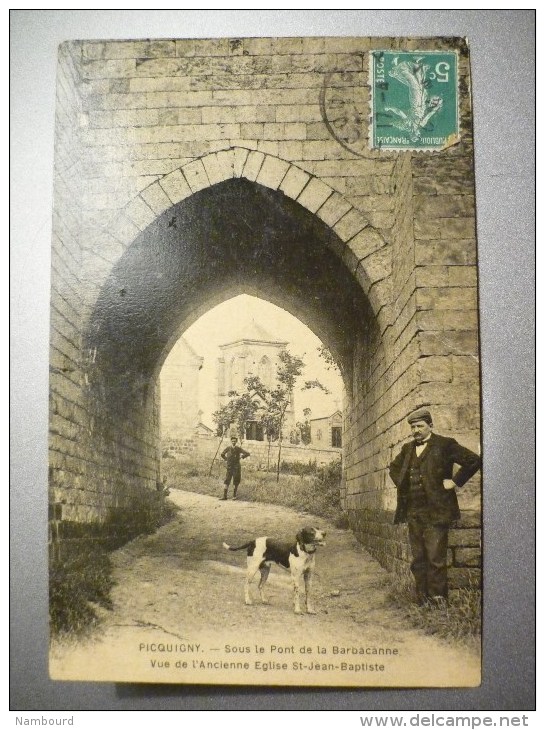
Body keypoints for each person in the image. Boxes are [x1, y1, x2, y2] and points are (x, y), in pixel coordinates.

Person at [389, 407, 481, 605]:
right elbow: (394, 468)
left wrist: (454, 482)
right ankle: (422, 599)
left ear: (430, 426)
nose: (416, 430)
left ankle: (438, 601)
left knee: (435, 558)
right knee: (418, 558)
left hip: (437, 512)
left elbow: (474, 460)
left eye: (420, 426)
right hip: (414, 513)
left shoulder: (445, 445)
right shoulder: (407, 449)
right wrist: (403, 486)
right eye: (413, 427)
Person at [220, 436, 250, 500]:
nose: (233, 442)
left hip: (236, 468)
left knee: (235, 482)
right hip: (229, 467)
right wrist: (226, 459)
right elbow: (222, 454)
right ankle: (224, 496)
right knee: (227, 481)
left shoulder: (238, 448)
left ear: (236, 442)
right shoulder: (228, 448)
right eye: (232, 441)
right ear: (231, 441)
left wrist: (242, 456)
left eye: (235, 441)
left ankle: (234, 496)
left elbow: (247, 453)